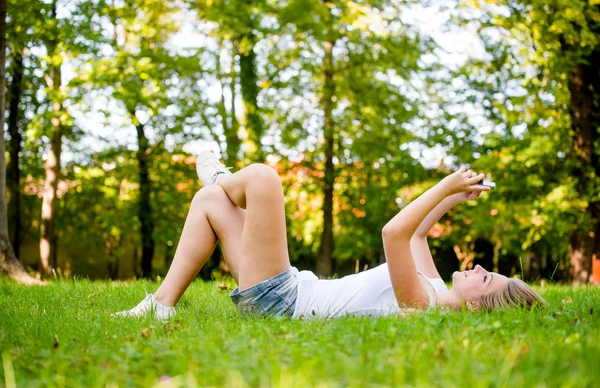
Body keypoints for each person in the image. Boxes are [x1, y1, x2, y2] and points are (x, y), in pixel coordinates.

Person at [115, 151, 546, 320]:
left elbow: (393, 234)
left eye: (488, 278)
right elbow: (415, 238)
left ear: (476, 306)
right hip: (285, 292)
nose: (483, 268)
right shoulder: (432, 285)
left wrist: (445, 185)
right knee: (208, 204)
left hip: (281, 303)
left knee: (263, 180)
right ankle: (161, 306)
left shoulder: (424, 305)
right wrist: (455, 199)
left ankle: (225, 177)